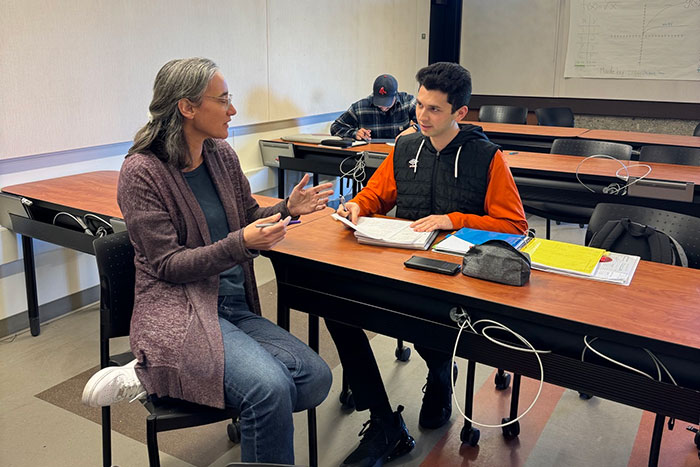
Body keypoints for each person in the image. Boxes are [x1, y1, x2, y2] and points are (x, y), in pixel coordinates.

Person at [81, 57, 333, 465]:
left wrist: (288, 208)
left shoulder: (221, 155)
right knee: (268, 390)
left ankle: (158, 377)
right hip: (178, 311)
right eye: (224, 99)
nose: (233, 110)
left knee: (314, 379)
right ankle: (154, 367)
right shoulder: (141, 172)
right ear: (187, 107)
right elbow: (168, 265)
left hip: (230, 306)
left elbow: (247, 216)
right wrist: (240, 244)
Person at [331, 62, 528, 466]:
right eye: (419, 105)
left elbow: (514, 226)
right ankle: (384, 421)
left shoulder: (487, 158)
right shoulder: (406, 147)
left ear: (460, 113)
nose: (422, 115)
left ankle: (440, 374)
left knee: (423, 323)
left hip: (460, 276)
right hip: (405, 262)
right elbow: (376, 195)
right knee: (337, 306)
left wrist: (454, 219)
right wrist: (355, 205)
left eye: (434, 109)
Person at [330, 74, 417, 141]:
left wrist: (415, 129)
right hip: (370, 157)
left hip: (400, 154)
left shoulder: (407, 102)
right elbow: (335, 127)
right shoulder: (360, 108)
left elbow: (429, 120)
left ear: (396, 95)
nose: (383, 107)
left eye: (387, 103)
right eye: (379, 103)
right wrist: (355, 133)